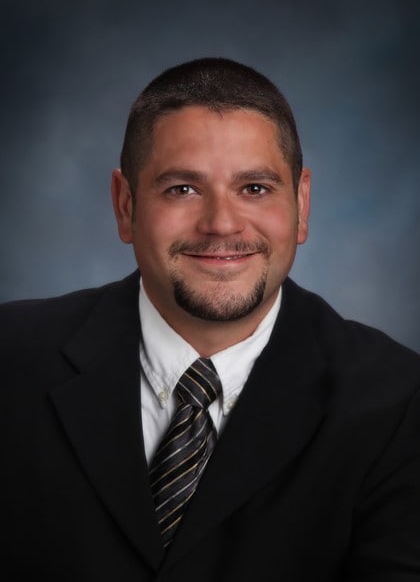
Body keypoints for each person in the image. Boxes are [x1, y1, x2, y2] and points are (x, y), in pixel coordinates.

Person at [2, 57, 420, 582]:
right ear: (125, 205)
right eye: (182, 189)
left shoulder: (399, 404)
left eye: (255, 188)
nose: (221, 224)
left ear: (302, 202)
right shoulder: (11, 359)